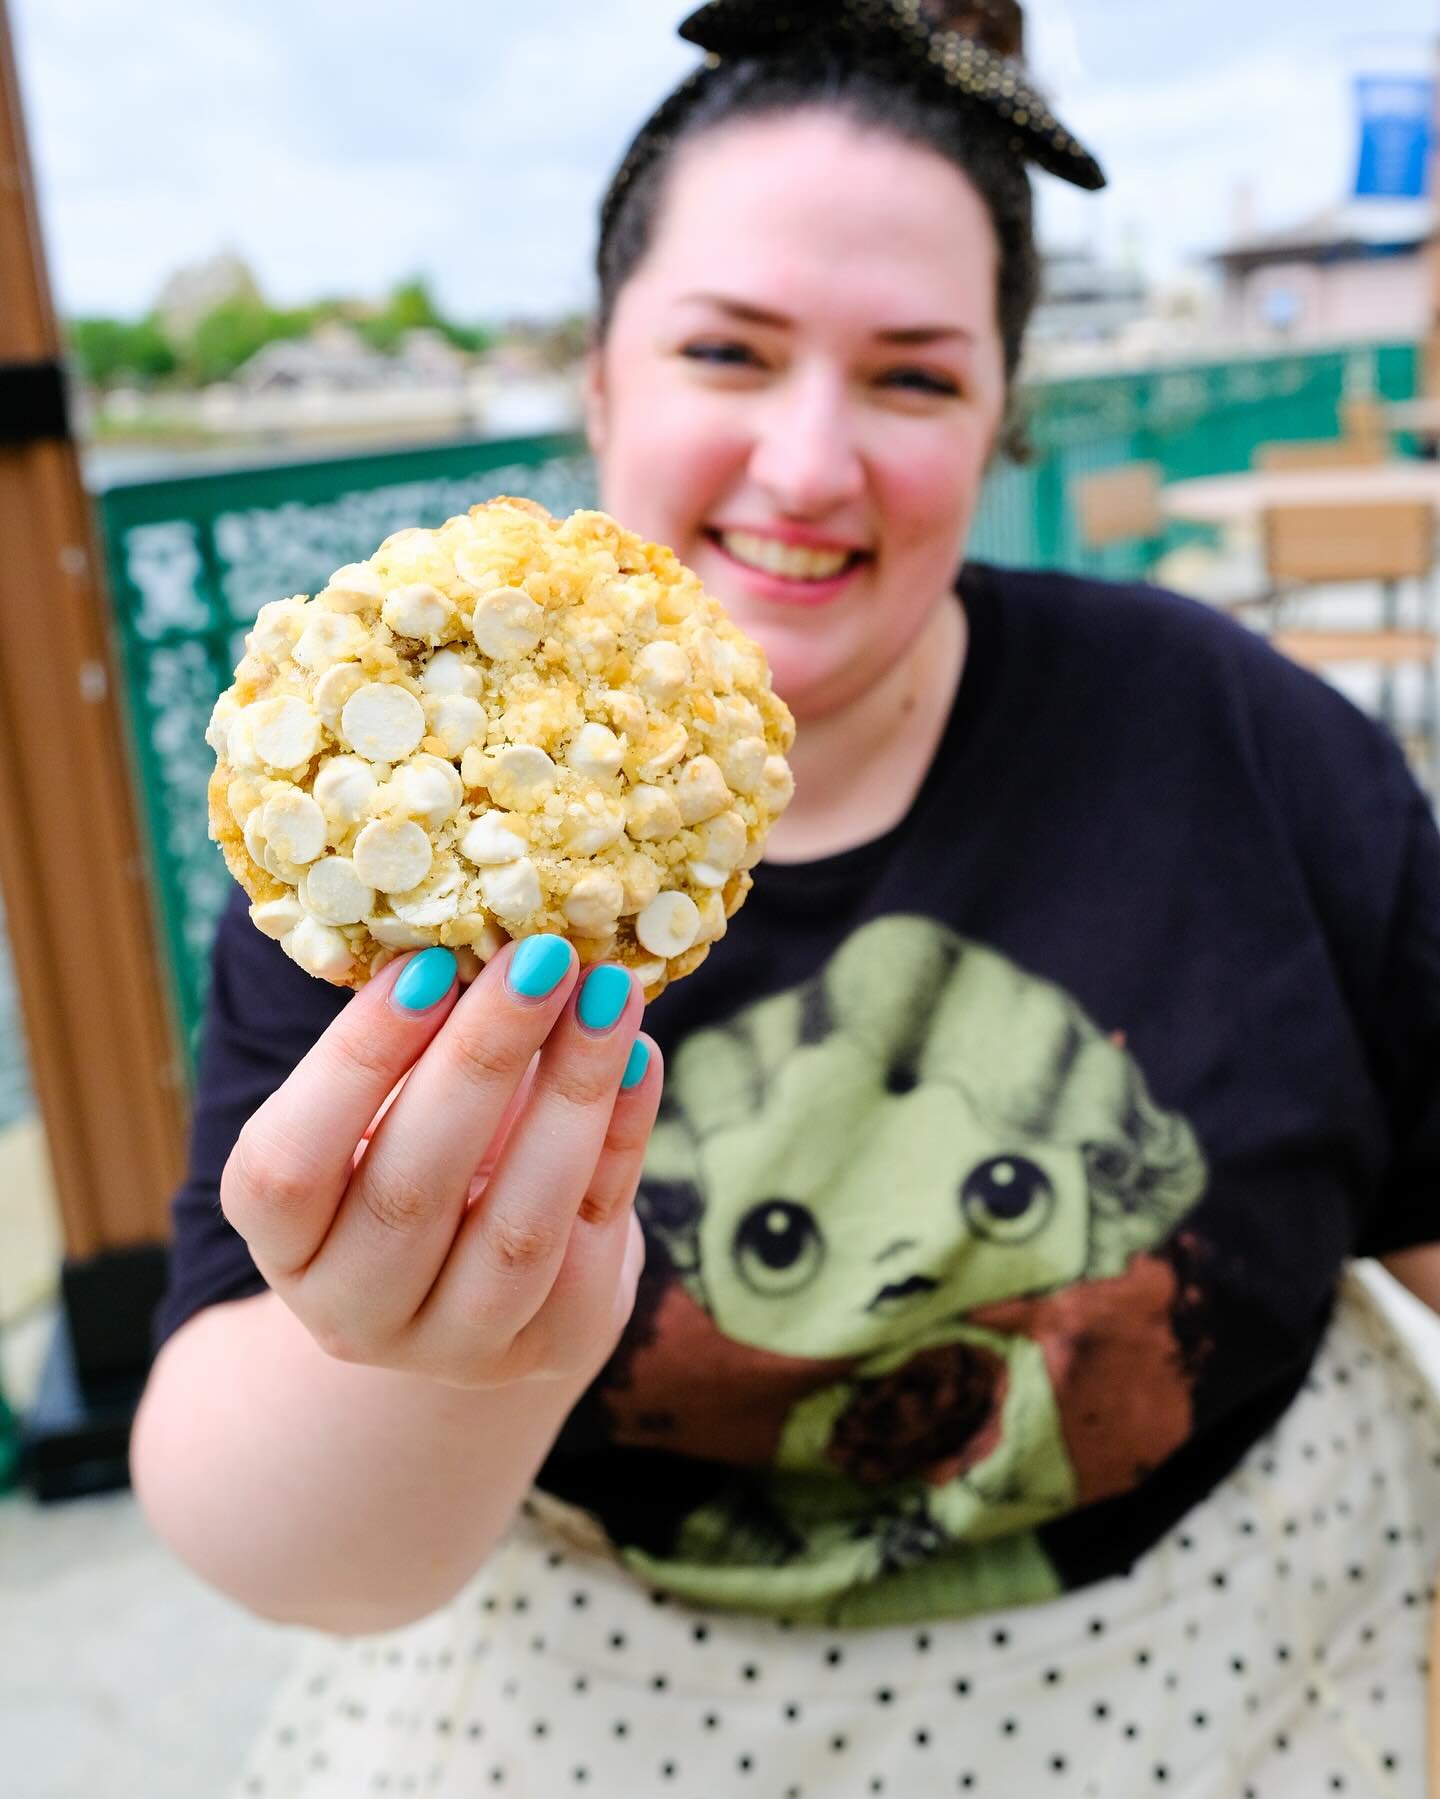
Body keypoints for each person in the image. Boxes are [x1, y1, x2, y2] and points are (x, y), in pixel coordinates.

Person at [131, 2, 1440, 1794]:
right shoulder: (402, 866)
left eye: (914, 376)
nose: (811, 466)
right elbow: (290, 1554)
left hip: (1253, 1669)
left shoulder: (1234, 739)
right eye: (728, 353)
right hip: (613, 1701)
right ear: (599, 381)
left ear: (1000, 423)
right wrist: (458, 1355)